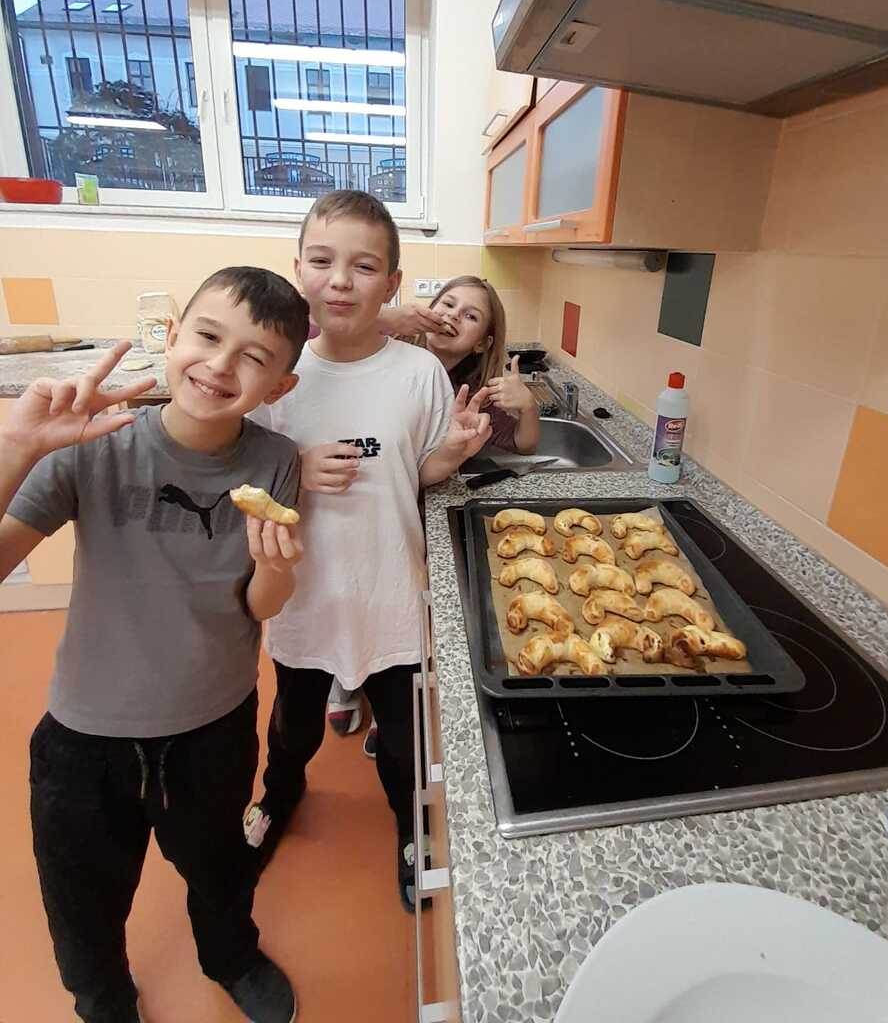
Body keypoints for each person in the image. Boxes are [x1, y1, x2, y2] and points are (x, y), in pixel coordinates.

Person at [0, 268, 310, 1023]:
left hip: (214, 728)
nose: (220, 365)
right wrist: (16, 447)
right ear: (170, 339)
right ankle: (103, 1000)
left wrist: (276, 569)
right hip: (85, 738)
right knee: (81, 897)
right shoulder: (94, 442)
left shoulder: (276, 460)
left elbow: (258, 604)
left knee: (221, 870)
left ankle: (230, 956)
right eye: (207, 336)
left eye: (253, 357)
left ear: (280, 386)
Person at [242, 191, 490, 910]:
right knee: (292, 726)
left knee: (406, 740)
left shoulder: (419, 373)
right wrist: (295, 468)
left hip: (390, 593)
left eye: (364, 266)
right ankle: (278, 795)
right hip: (304, 594)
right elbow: (238, 472)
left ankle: (411, 830)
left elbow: (417, 472)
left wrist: (453, 453)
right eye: (322, 261)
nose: (341, 281)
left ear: (392, 283)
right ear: (297, 269)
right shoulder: (276, 376)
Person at [327, 275, 541, 745]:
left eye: (470, 315)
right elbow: (320, 325)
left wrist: (528, 407)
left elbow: (524, 444)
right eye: (447, 304)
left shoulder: (477, 390)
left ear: (483, 341)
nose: (452, 317)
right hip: (366, 499)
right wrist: (386, 318)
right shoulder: (380, 352)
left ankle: (389, 697)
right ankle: (345, 676)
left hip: (427, 513)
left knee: (399, 600)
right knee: (352, 588)